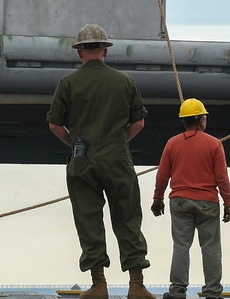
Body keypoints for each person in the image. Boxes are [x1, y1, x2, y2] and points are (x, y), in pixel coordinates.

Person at [47, 23, 155, 299]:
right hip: (118, 158)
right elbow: (139, 123)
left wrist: (76, 145)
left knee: (89, 218)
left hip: (83, 160)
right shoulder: (126, 82)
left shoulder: (68, 83)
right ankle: (137, 285)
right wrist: (117, 142)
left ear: (80, 52)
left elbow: (55, 125)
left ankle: (98, 285)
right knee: (128, 218)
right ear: (105, 50)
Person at [151, 98, 230, 299]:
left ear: (184, 121)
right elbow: (221, 177)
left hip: (179, 201)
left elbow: (163, 174)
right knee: (211, 248)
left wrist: (158, 198)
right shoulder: (215, 144)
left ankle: (177, 291)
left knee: (181, 246)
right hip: (208, 202)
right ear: (201, 120)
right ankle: (213, 292)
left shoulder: (172, 143)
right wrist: (228, 203)